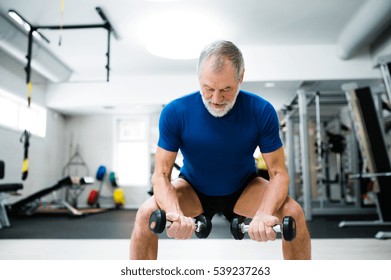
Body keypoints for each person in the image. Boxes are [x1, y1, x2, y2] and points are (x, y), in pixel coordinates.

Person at [129, 40, 311, 260]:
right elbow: (161, 174)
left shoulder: (261, 110)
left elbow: (279, 173)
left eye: (226, 89)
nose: (216, 99)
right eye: (208, 88)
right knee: (145, 214)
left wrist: (264, 213)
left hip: (244, 187)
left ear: (240, 77)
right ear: (199, 79)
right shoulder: (175, 112)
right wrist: (174, 214)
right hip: (193, 188)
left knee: (294, 213)